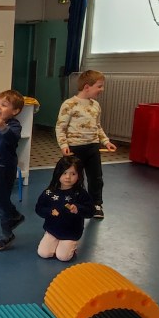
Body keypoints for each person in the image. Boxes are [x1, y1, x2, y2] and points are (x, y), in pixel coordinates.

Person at [55, 70, 117, 219]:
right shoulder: (69, 104)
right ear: (87, 87)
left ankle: (96, 204)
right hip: (75, 148)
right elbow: (60, 127)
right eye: (99, 86)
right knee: (73, 176)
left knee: (96, 178)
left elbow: (98, 126)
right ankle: (70, 201)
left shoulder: (96, 105)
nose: (102, 89)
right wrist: (63, 145)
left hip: (93, 147)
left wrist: (106, 141)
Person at [0, 90, 27, 251]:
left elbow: (11, 138)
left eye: (4, 105)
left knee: (2, 201)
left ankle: (7, 235)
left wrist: (1, 125)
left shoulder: (14, 125)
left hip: (5, 168)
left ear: (15, 111)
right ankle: (15, 215)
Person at [35, 156, 95, 262]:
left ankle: (71, 245)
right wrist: (49, 212)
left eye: (73, 174)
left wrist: (78, 209)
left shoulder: (80, 193)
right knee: (44, 253)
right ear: (58, 173)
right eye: (64, 173)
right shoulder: (49, 192)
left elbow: (91, 211)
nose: (68, 177)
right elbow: (39, 208)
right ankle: (53, 241)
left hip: (71, 233)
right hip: (52, 230)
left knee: (63, 257)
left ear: (79, 175)